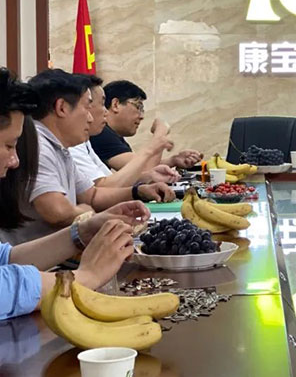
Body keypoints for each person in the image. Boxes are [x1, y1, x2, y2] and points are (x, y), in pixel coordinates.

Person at [0, 67, 149, 320]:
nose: (15, 161)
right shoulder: (40, 145)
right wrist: (87, 276)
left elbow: (6, 258)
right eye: (8, 146)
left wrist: (81, 232)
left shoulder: (63, 148)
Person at [1, 69, 172, 245]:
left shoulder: (60, 147)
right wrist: (90, 214)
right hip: (40, 258)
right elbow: (58, 212)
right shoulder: (38, 145)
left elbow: (91, 196)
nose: (90, 118)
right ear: (62, 108)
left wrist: (137, 191)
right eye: (86, 107)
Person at [70, 75, 180, 187]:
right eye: (138, 107)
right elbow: (144, 168)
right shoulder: (98, 135)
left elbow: (109, 181)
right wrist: (159, 135)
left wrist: (170, 162)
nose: (141, 116)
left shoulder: (88, 140)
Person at [90, 80, 202, 171]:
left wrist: (173, 161)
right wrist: (160, 132)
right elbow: (143, 172)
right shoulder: (101, 133)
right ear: (115, 105)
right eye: (138, 107)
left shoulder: (110, 134)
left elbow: (139, 167)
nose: (141, 116)